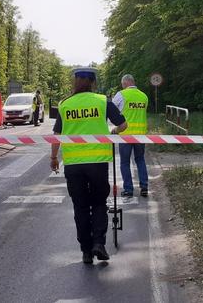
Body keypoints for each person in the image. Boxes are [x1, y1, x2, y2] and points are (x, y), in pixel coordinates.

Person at [50, 67, 128, 264]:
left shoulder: (65, 105)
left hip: (74, 164)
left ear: (75, 81)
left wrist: (53, 157)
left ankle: (85, 251)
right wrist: (112, 131)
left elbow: (57, 135)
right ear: (93, 82)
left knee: (80, 207)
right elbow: (123, 124)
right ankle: (99, 244)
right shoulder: (103, 102)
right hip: (98, 162)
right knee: (99, 203)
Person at [112, 74, 149, 198]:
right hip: (140, 135)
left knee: (125, 162)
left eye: (123, 84)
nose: (122, 86)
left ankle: (128, 189)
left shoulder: (121, 95)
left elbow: (113, 109)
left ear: (126, 83)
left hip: (125, 135)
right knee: (140, 160)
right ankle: (144, 187)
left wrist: (116, 128)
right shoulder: (144, 96)